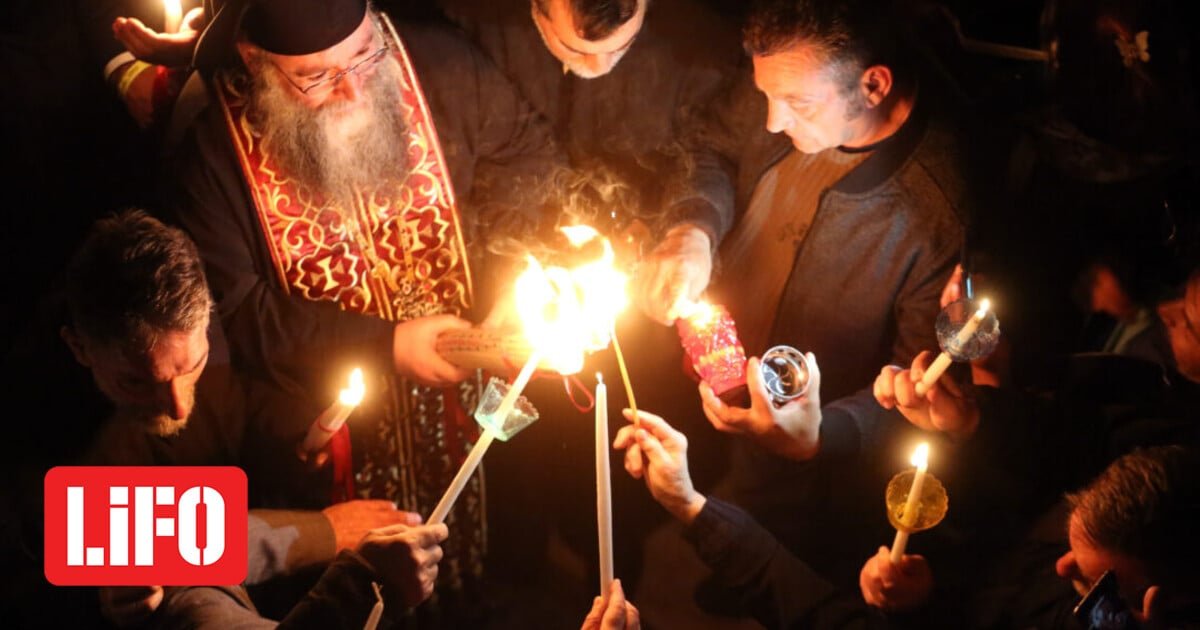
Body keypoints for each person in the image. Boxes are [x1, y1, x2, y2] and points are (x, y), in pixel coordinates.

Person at [171, 0, 563, 620]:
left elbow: (527, 157)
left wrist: (508, 288)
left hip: (472, 412)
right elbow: (237, 312)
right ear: (255, 58)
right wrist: (386, 345)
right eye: (316, 77)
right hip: (329, 437)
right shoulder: (211, 146)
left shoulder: (438, 61)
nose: (352, 88)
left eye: (363, 55)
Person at [1, 210, 434, 628]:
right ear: (79, 348)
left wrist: (287, 439)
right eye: (137, 383)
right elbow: (156, 538)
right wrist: (323, 532)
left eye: (192, 368)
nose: (178, 408)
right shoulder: (33, 438)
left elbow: (235, 403)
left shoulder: (183, 327)